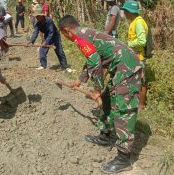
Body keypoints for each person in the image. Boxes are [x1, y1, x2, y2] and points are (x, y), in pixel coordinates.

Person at [59, 15, 144, 174]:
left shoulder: (80, 38)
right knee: (107, 100)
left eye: (64, 35)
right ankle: (105, 136)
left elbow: (95, 64)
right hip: (120, 67)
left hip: (127, 68)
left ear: (67, 31)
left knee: (123, 111)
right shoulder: (85, 34)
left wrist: (97, 89)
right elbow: (93, 58)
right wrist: (80, 79)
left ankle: (124, 158)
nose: (66, 38)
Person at [121, 0, 148, 111]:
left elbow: (142, 41)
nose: (125, 13)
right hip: (135, 55)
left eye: (125, 11)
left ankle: (141, 105)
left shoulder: (138, 23)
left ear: (129, 11)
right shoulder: (135, 21)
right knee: (134, 80)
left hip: (139, 57)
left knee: (141, 81)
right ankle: (133, 102)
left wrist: (129, 44)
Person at [27, 6, 72, 73]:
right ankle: (43, 65)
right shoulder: (37, 24)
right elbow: (35, 32)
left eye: (38, 16)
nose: (37, 17)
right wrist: (31, 41)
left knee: (59, 50)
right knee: (42, 50)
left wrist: (46, 42)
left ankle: (65, 66)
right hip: (47, 36)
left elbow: (51, 32)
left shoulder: (49, 20)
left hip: (55, 36)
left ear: (42, 16)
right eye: (36, 16)